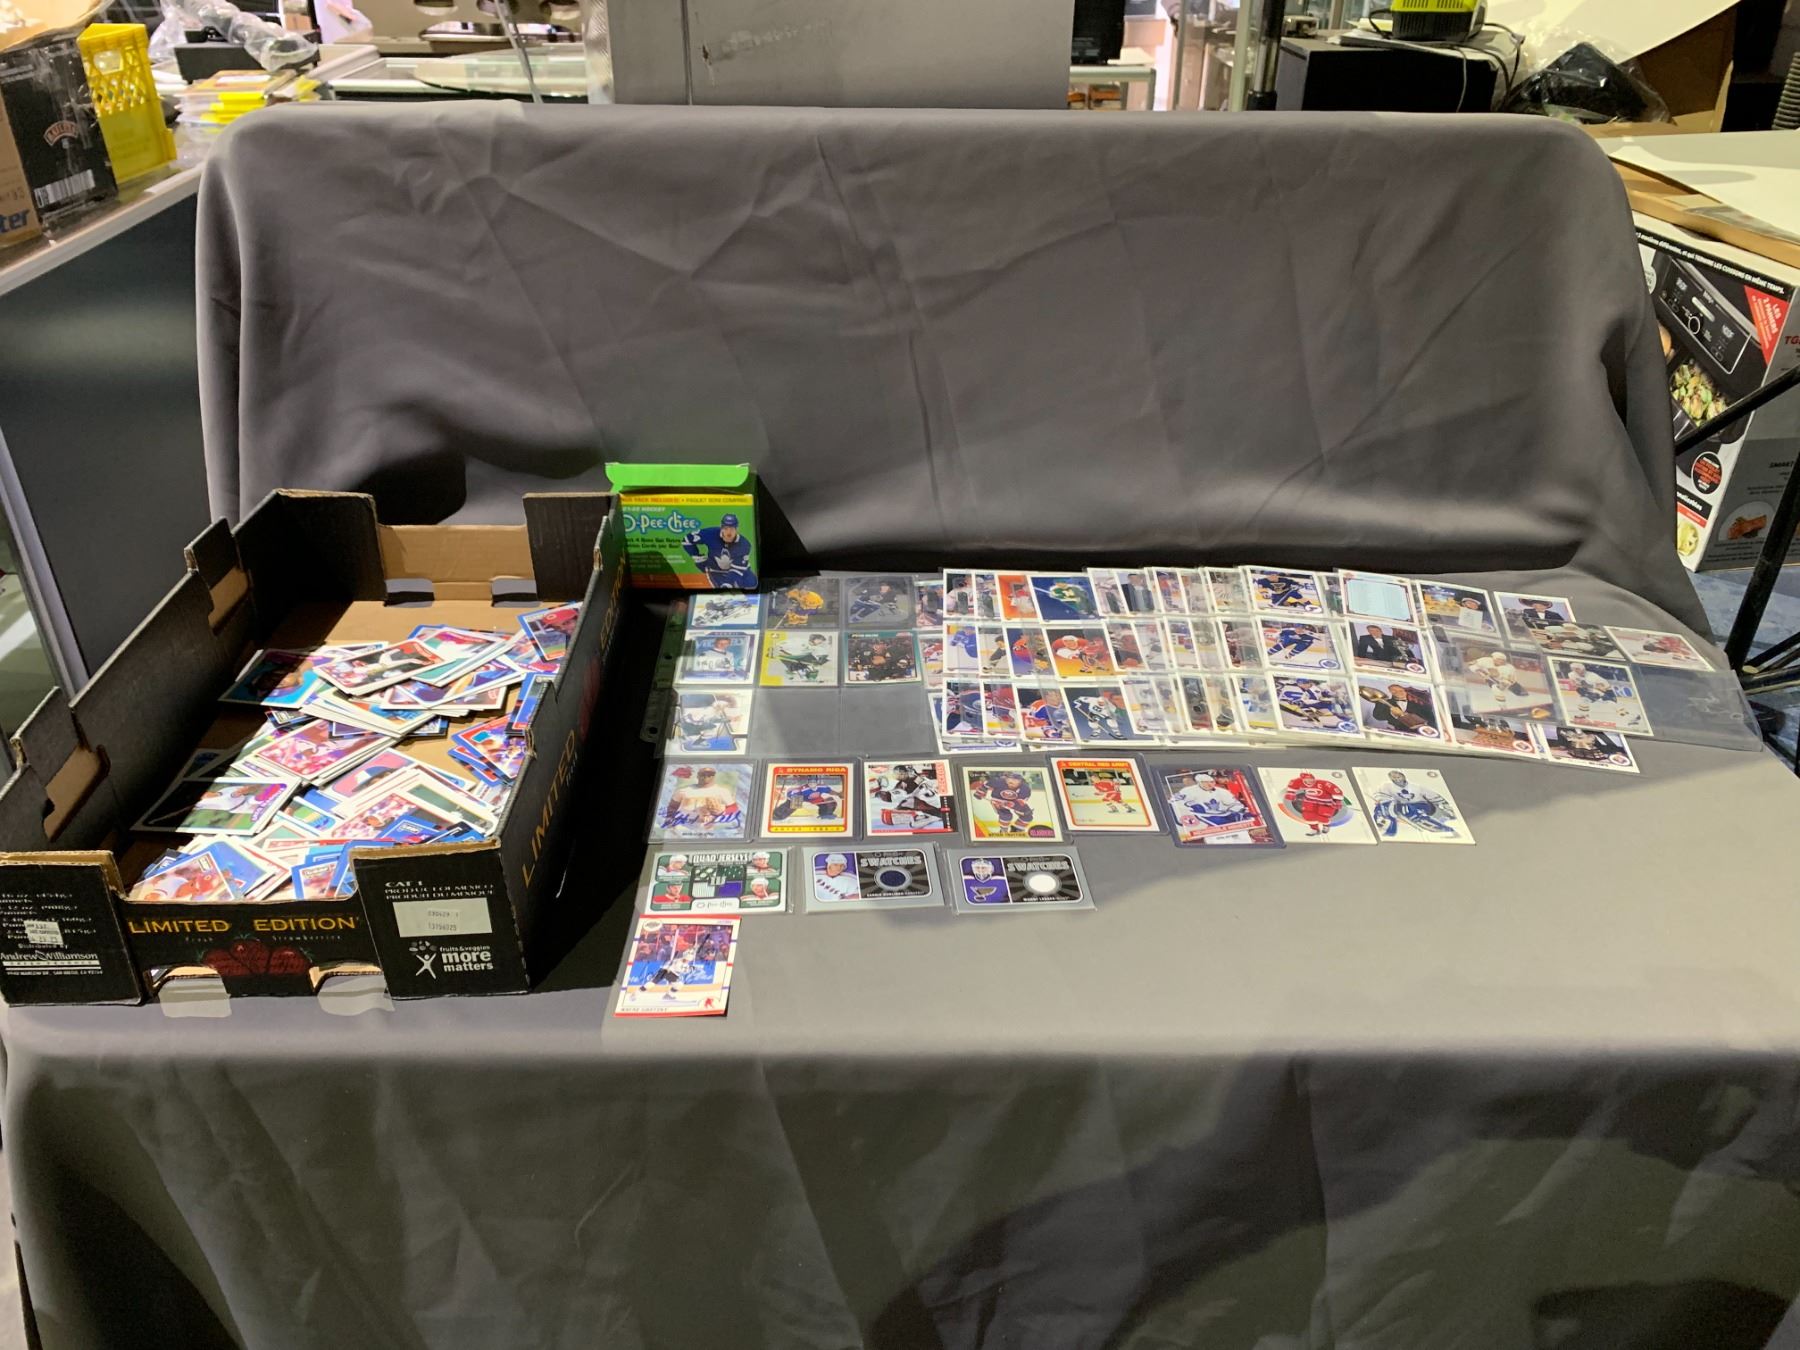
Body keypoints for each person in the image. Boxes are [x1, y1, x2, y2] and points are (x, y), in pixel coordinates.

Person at [1370, 769, 1459, 837]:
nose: (1397, 779)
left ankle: (1445, 829)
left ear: (1403, 776)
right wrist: (1384, 802)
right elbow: (1379, 795)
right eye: (1394, 777)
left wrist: (1448, 809)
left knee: (1407, 808)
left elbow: (1435, 797)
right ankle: (1383, 823)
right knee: (1383, 806)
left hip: (1422, 805)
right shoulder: (1386, 786)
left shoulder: (1416, 787)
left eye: (1398, 776)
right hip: (1401, 806)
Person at [681, 513, 756, 588]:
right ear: (721, 528)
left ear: (736, 529)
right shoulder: (711, 534)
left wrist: (728, 583)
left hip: (738, 570)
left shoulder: (744, 544)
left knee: (752, 584)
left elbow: (736, 571)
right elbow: (687, 540)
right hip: (716, 571)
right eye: (726, 528)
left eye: (732, 529)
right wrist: (698, 558)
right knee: (722, 591)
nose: (729, 532)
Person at [1361, 682, 1437, 735]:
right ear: (1390, 692)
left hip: (1416, 733)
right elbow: (1378, 716)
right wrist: (1380, 702)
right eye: (1394, 691)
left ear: (1405, 691)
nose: (1398, 692)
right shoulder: (1384, 702)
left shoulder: (1419, 705)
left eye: (1400, 690)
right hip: (1392, 731)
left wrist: (1401, 715)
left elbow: (1431, 721)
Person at [1284, 772, 1343, 836]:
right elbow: (1293, 785)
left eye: (1311, 779)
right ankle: (1314, 829)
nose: (1310, 781)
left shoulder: (1323, 783)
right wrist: (1291, 793)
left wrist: (1337, 800)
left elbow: (1335, 790)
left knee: (1323, 815)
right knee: (1308, 815)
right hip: (1310, 801)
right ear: (1303, 780)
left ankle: (1325, 825)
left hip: (1325, 802)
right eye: (1307, 779)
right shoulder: (1299, 781)